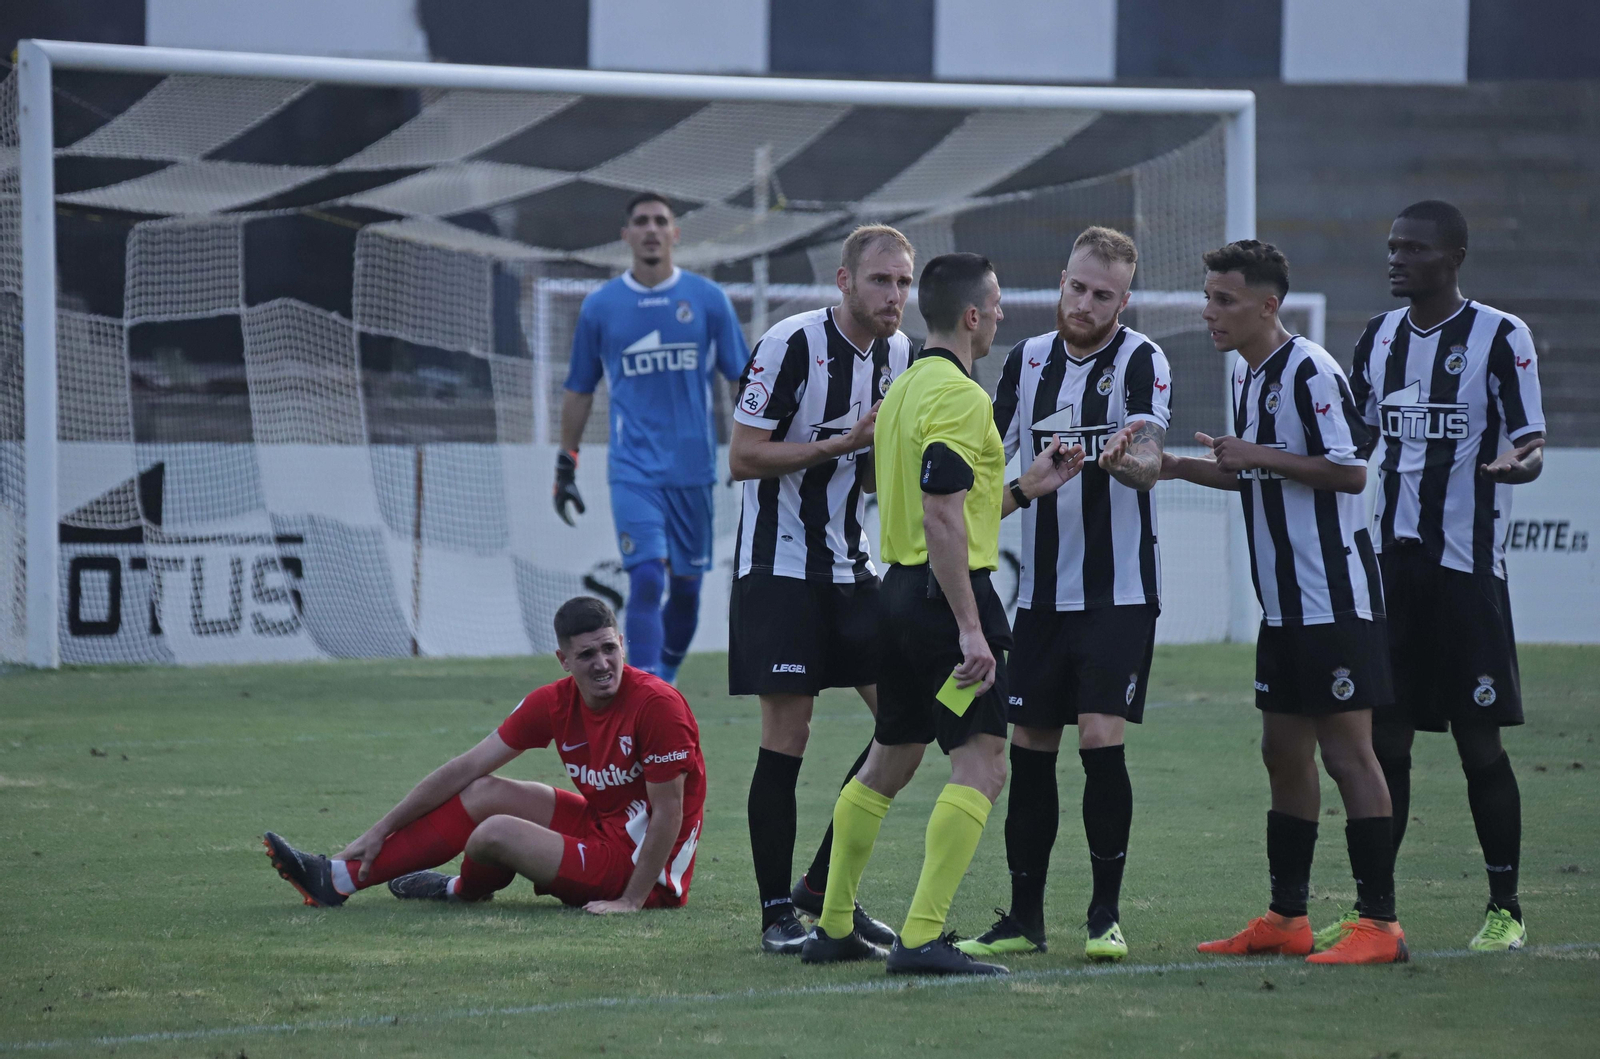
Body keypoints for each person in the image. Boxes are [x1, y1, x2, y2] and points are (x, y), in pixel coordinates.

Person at [799, 253, 1086, 976]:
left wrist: (1024, 486)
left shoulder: (903, 391)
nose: (1000, 319)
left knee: (890, 756)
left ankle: (834, 923)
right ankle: (922, 938)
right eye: (994, 307)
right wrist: (969, 626)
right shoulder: (959, 397)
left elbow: (953, 505)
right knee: (986, 763)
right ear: (971, 315)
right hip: (943, 603)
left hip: (896, 597)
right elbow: (942, 512)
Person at [1164, 240, 1407, 965]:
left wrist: (1258, 454)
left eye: (1224, 300)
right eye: (1208, 297)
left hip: (1335, 601)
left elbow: (1350, 472)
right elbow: (1250, 475)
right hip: (1286, 608)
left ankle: (1381, 923)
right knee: (1280, 750)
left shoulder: (1312, 371)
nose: (1210, 311)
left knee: (1348, 754)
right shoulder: (1245, 372)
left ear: (1268, 306)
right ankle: (1287, 916)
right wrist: (1173, 465)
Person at [959, 227, 1170, 965]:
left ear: (1125, 299)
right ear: (1060, 280)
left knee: (1099, 737)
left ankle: (1105, 915)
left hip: (1120, 592)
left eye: (1102, 294)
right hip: (1043, 597)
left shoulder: (1142, 359)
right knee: (1030, 747)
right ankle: (1023, 916)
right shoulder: (1026, 362)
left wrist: (1128, 461)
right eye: (1076, 287)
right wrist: (1019, 489)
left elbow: (1149, 457)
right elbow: (988, 482)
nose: (1084, 304)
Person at [1347, 200, 1545, 954]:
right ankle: (1378, 911)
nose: (1397, 259)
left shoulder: (1501, 336)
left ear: (1454, 256)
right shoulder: (1379, 337)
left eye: (1414, 249)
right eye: (1393, 246)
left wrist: (1514, 465)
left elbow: (1530, 443)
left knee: (1478, 743)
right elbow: (1354, 438)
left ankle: (1505, 907)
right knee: (1385, 740)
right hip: (1390, 570)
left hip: (1465, 572)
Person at [263, 596, 706, 914]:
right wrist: (379, 830)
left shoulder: (656, 705)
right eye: (586, 653)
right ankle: (337, 877)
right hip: (604, 829)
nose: (602, 663)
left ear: (623, 643)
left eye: (610, 648)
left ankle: (457, 889)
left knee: (493, 834)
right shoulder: (554, 702)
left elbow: (669, 811)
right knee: (481, 792)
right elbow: (467, 767)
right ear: (563, 660)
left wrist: (630, 900)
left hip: (645, 872)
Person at [727, 226, 916, 954]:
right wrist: (839, 444)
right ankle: (777, 910)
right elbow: (744, 456)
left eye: (903, 282)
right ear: (844, 281)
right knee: (789, 734)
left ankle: (823, 886)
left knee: (903, 722)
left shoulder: (900, 357)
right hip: (778, 568)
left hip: (854, 568)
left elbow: (870, 473)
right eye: (880, 281)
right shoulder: (790, 344)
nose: (894, 295)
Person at [554, 192, 750, 683]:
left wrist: (748, 448)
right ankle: (639, 693)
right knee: (646, 577)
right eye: (640, 221)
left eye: (661, 221)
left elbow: (743, 381)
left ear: (675, 234)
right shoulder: (601, 306)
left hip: (693, 470)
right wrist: (566, 462)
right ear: (626, 236)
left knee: (686, 588)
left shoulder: (708, 300)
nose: (650, 229)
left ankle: (665, 680)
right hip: (632, 470)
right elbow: (579, 390)